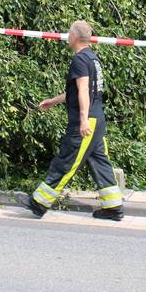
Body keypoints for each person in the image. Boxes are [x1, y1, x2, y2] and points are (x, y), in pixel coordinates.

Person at [24, 20, 125, 221]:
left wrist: (83, 120)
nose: (67, 37)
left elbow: (84, 91)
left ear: (75, 37)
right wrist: (53, 101)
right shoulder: (93, 59)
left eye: (69, 34)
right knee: (99, 162)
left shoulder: (80, 60)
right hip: (97, 120)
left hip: (87, 122)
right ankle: (113, 207)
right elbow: (76, 90)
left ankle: (39, 202)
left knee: (66, 161)